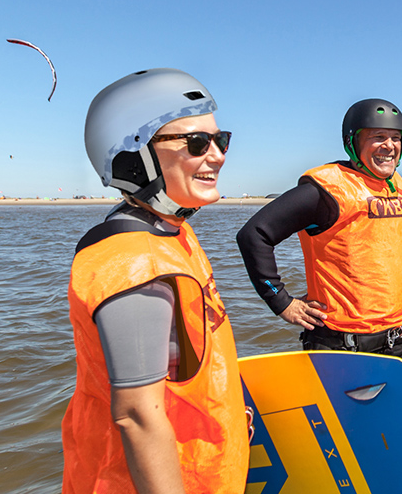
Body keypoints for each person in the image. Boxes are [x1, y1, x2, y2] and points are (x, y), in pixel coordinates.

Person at [63, 69, 248, 494]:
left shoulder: (169, 232)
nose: (217, 156)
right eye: (196, 143)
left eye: (221, 141)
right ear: (136, 156)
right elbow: (138, 416)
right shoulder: (133, 261)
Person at [236, 98, 402, 371]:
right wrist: (282, 302)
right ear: (353, 142)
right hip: (345, 347)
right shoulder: (325, 191)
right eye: (378, 137)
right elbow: (254, 234)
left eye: (396, 138)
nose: (389, 146)